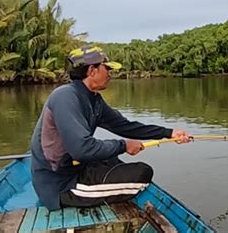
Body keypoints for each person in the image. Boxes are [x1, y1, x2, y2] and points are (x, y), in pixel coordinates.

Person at [30, 45, 191, 211]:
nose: (110, 74)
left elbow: (126, 127)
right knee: (142, 173)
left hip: (78, 168)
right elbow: (82, 149)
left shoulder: (94, 100)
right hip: (61, 185)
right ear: (92, 70)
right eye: (107, 69)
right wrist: (124, 145)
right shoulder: (65, 97)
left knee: (113, 160)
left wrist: (170, 133)